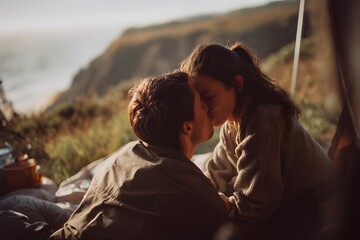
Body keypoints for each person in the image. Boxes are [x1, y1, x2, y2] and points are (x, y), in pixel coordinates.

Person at [180, 42, 341, 239]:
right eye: (199, 100)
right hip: (287, 208)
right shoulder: (232, 124)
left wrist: (223, 206)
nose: (204, 107)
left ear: (237, 84)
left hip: (316, 208)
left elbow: (257, 203)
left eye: (208, 96)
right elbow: (217, 170)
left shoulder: (264, 120)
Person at [49, 71, 227, 240]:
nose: (207, 106)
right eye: (200, 104)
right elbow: (222, 212)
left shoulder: (123, 155)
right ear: (187, 127)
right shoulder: (193, 189)